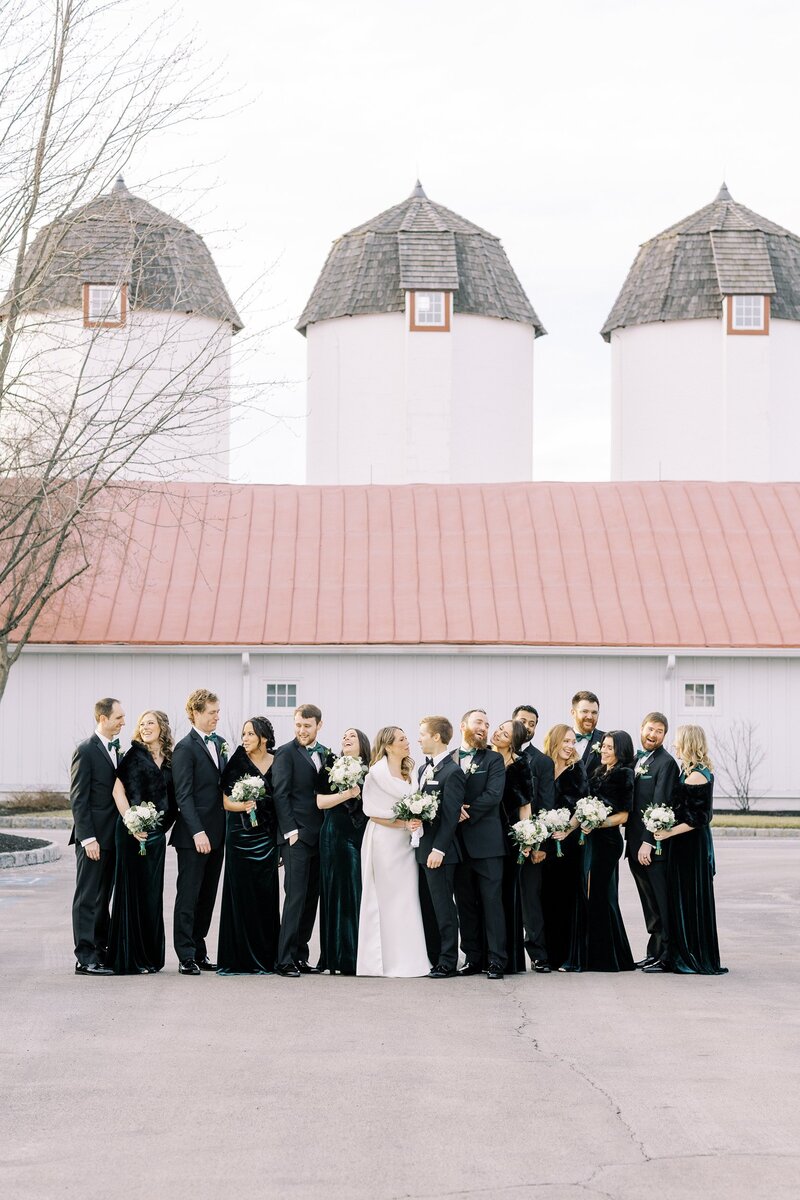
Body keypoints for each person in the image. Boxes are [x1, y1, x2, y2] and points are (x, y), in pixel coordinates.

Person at [653, 725, 727, 975]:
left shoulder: (698, 776)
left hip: (692, 848)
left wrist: (668, 831)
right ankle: (679, 953)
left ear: (688, 743)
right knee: (680, 899)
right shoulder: (689, 770)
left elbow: (699, 818)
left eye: (677, 741)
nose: (674, 745)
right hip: (682, 845)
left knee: (689, 899)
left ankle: (691, 955)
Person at [357, 727, 430, 977]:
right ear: (388, 746)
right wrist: (403, 824)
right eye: (401, 739)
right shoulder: (375, 775)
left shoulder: (410, 772)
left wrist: (414, 823)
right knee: (388, 899)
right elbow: (373, 812)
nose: (407, 742)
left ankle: (412, 958)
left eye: (407, 738)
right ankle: (385, 961)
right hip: (385, 842)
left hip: (407, 844)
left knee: (407, 898)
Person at [107, 710, 175, 974]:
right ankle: (130, 957)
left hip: (156, 836)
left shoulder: (169, 759)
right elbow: (117, 789)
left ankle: (150, 957)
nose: (145, 727)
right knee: (131, 893)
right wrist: (131, 822)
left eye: (151, 723)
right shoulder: (134, 754)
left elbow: (172, 797)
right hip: (130, 833)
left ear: (162, 727)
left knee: (151, 895)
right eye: (142, 723)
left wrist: (164, 826)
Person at [561, 730, 635, 972]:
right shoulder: (598, 772)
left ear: (620, 751)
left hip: (608, 842)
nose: (604, 750)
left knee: (601, 896)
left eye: (610, 747)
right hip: (591, 840)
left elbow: (623, 815)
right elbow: (583, 806)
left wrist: (596, 822)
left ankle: (604, 958)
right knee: (590, 895)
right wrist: (570, 829)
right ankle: (601, 955)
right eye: (603, 746)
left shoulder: (624, 774)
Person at [216, 716, 280, 975]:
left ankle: (267, 958)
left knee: (266, 896)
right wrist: (244, 805)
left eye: (250, 734)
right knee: (240, 895)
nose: (244, 739)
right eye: (243, 734)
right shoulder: (238, 760)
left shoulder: (278, 761)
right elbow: (226, 802)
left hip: (266, 837)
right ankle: (238, 959)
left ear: (263, 738)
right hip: (240, 837)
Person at [170, 688, 227, 976]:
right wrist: (197, 832)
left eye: (218, 711)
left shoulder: (220, 744)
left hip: (218, 835)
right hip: (194, 838)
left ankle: (200, 948)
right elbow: (183, 796)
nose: (217, 716)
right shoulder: (185, 748)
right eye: (212, 712)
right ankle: (185, 955)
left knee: (207, 896)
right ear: (195, 713)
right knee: (189, 896)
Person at [69, 697, 126, 975]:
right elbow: (79, 798)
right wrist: (87, 838)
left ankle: (101, 951)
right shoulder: (86, 750)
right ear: (102, 718)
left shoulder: (118, 751)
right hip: (92, 840)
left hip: (112, 838)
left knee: (104, 898)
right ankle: (85, 957)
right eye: (118, 717)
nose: (123, 722)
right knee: (87, 898)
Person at [272, 703, 327, 977]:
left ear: (319, 725)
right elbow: (280, 794)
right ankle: (284, 960)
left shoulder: (326, 755)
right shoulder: (285, 753)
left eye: (307, 725)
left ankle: (301, 955)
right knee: (295, 897)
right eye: (298, 725)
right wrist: (290, 832)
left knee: (311, 898)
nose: (302, 730)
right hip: (296, 838)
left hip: (320, 838)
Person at [453, 709, 508, 980]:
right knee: (465, 904)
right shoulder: (449, 758)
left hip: (487, 845)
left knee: (492, 903)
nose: (484, 728)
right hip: (456, 846)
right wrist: (451, 810)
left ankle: (497, 959)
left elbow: (494, 795)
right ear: (463, 725)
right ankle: (472, 958)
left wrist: (465, 812)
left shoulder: (494, 759)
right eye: (478, 722)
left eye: (487, 724)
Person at [626, 712, 679, 972]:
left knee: (661, 901)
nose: (653, 734)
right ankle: (654, 952)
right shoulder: (636, 760)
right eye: (650, 729)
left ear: (664, 736)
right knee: (648, 903)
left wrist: (648, 841)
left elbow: (661, 803)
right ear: (641, 728)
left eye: (659, 731)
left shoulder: (666, 763)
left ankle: (667, 956)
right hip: (634, 844)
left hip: (653, 847)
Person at [315, 727, 370, 976]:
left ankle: (355, 954)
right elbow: (320, 801)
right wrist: (347, 793)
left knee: (355, 891)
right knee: (334, 891)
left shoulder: (371, 769)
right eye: (344, 735)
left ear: (363, 744)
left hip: (360, 834)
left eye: (352, 736)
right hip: (334, 833)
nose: (346, 738)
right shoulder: (331, 764)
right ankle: (333, 956)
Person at [415, 716, 466, 979]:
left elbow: (450, 816)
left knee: (445, 908)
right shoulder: (423, 770)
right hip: (422, 849)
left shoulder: (453, 772)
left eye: (422, 734)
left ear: (436, 737)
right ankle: (434, 957)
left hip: (440, 854)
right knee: (429, 907)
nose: (419, 738)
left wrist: (439, 850)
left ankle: (448, 960)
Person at [540, 724, 588, 969]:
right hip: (545, 843)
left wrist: (567, 829)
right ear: (555, 741)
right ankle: (548, 955)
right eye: (566, 741)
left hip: (568, 843)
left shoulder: (576, 769)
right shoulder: (544, 767)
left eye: (573, 742)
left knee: (566, 898)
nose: (570, 746)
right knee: (546, 897)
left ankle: (569, 957)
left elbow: (582, 805)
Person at [491, 719, 533, 974]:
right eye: (499, 729)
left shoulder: (520, 765)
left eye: (504, 733)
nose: (497, 733)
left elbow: (525, 804)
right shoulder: (484, 756)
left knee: (508, 894)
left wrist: (526, 837)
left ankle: (509, 958)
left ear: (513, 742)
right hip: (484, 833)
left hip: (509, 835)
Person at [512, 704, 555, 811]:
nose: (527, 726)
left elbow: (545, 804)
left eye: (532, 724)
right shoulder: (496, 752)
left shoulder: (544, 761)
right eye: (523, 721)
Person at [570, 690, 606, 778]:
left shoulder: (606, 740)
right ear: (573, 713)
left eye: (594, 712)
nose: (589, 717)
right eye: (585, 711)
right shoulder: (560, 738)